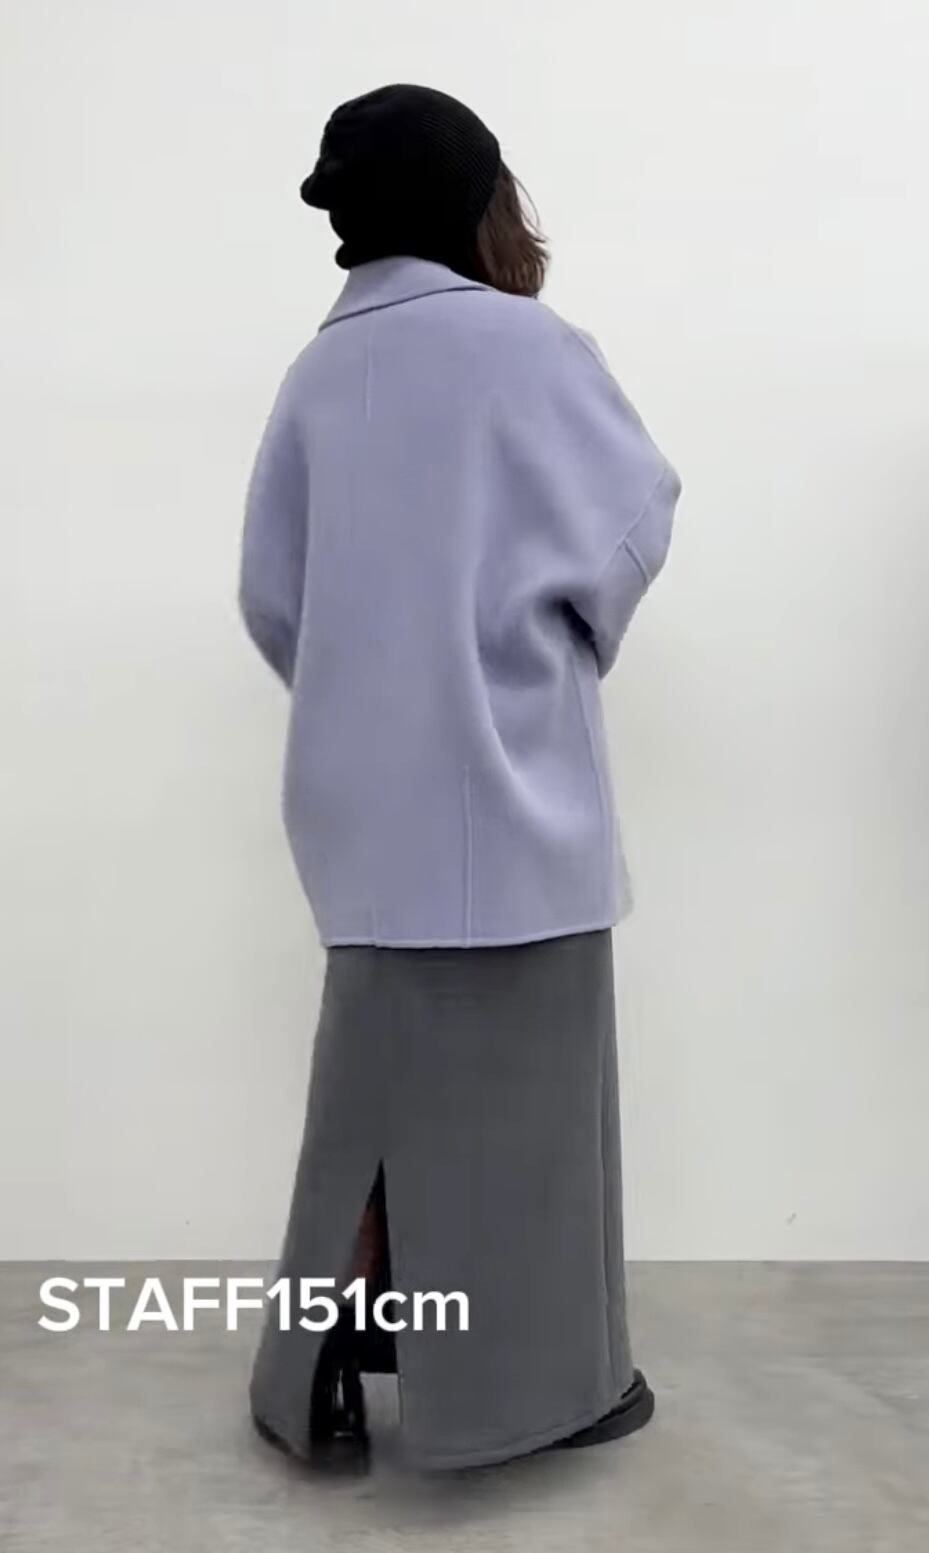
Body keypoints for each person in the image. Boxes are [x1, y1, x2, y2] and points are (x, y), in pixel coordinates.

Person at [239, 82, 681, 1472]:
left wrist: (367, 695)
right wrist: (549, 646)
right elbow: (633, 516)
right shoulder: (525, 346)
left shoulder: (315, 375)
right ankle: (530, 1397)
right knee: (524, 1131)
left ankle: (319, 1361)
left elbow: (271, 599)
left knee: (372, 1096)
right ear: (475, 200)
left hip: (360, 811)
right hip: (515, 794)